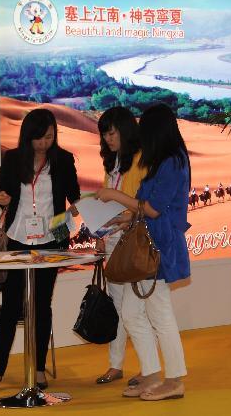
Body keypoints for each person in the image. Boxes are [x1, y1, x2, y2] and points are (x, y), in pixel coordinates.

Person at [0, 108, 80, 394]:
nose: (44, 143)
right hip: (18, 239)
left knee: (41, 305)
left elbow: (72, 196)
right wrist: (2, 197)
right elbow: (2, 193)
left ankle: (37, 368)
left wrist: (71, 217)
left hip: (51, 240)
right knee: (11, 306)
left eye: (49, 136)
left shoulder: (63, 159)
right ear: (29, 135)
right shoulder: (13, 159)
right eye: (39, 137)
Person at [97, 103, 191, 401]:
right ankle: (151, 372)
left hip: (159, 248)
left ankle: (174, 380)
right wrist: (120, 217)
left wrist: (114, 196)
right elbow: (140, 204)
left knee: (160, 314)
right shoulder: (161, 160)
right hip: (146, 245)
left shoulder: (173, 162)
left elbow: (151, 208)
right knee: (131, 313)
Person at [94, 106, 148, 386]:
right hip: (113, 241)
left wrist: (125, 215)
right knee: (117, 306)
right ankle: (115, 365)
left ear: (125, 131)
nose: (108, 139)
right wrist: (100, 230)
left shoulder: (141, 160)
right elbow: (107, 205)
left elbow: (142, 205)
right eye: (104, 135)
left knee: (136, 310)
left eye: (112, 133)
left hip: (135, 242)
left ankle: (147, 368)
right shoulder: (112, 163)